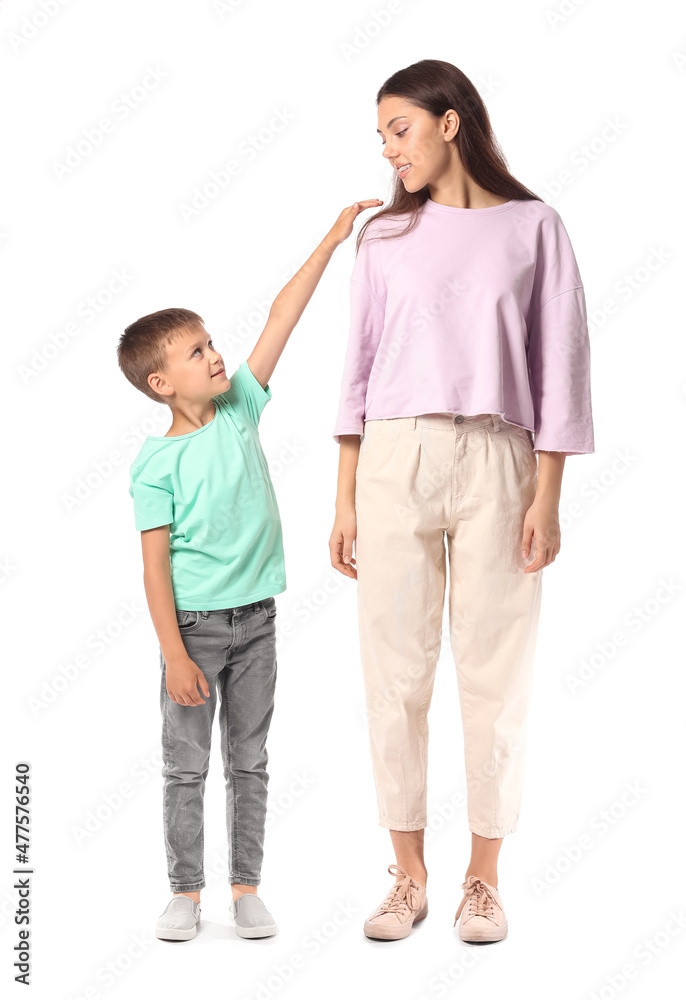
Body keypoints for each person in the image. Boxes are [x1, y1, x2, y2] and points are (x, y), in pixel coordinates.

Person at [328, 59, 595, 943]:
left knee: (495, 674)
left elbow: (561, 365)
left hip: (498, 457)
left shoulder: (535, 226)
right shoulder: (382, 238)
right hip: (393, 456)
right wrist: (344, 498)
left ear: (450, 122)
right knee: (393, 674)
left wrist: (548, 494)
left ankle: (483, 879)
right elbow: (358, 365)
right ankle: (407, 876)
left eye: (399, 129)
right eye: (380, 137)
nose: (388, 150)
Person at [117, 197, 382, 943]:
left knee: (250, 761)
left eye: (211, 343)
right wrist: (174, 654)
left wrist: (332, 239)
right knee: (185, 767)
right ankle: (184, 892)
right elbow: (153, 570)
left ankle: (246, 889)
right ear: (162, 383)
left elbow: (281, 316)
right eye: (196, 352)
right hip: (194, 630)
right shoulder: (154, 464)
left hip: (258, 621)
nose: (215, 356)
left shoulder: (238, 408)